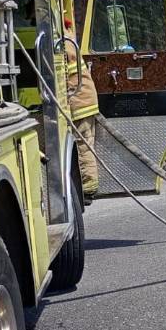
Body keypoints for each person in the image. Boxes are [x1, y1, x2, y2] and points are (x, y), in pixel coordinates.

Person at [64, 15, 101, 202]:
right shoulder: (67, 36)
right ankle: (88, 187)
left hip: (79, 102)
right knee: (85, 143)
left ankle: (88, 189)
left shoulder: (61, 41)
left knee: (82, 144)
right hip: (84, 99)